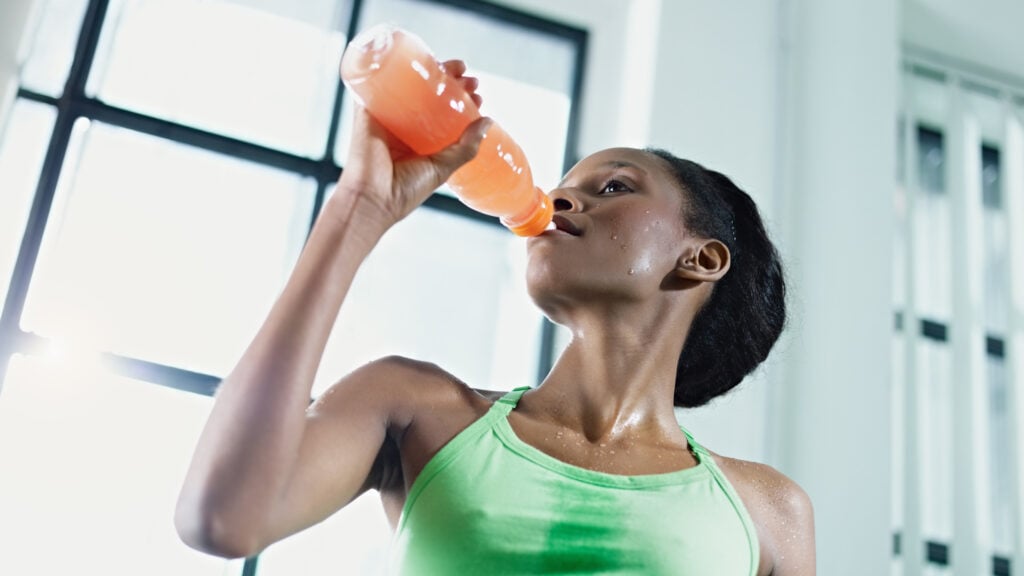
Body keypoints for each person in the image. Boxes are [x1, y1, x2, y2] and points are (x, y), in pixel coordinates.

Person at [174, 60, 816, 575]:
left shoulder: (765, 513)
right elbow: (223, 519)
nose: (561, 197)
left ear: (701, 259)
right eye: (566, 182)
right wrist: (359, 206)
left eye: (614, 187)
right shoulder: (415, 408)